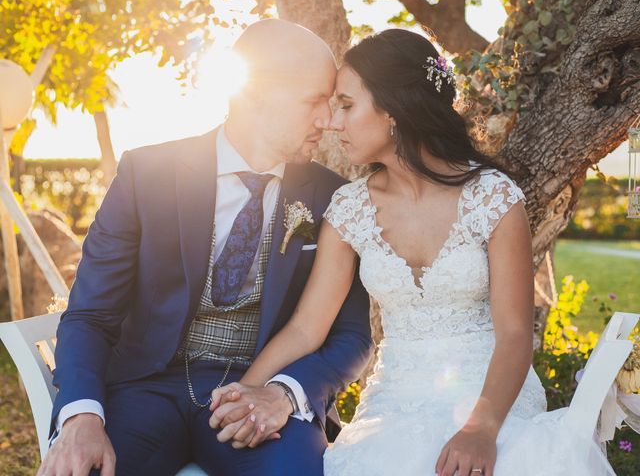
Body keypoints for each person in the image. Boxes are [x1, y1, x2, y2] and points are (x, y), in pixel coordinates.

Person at [210, 29, 616, 475]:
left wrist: (481, 429)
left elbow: (515, 333)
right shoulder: (350, 209)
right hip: (393, 404)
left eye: (346, 105)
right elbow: (308, 327)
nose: (332, 121)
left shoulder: (493, 198)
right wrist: (244, 391)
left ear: (393, 110)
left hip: (493, 398)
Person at [38, 19, 372, 476]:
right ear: (255, 94)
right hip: (145, 392)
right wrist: (79, 417)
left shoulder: (336, 198)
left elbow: (350, 336)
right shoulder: (147, 174)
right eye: (315, 100)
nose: (329, 121)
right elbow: (91, 314)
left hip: (261, 400)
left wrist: (283, 392)